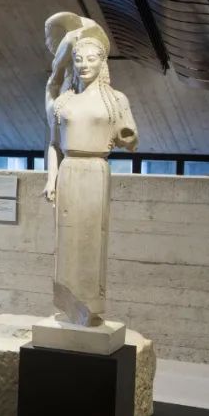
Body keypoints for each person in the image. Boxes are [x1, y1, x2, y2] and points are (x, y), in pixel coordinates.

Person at [43, 24, 137, 326]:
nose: (84, 65)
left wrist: (127, 136)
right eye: (79, 59)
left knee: (93, 238)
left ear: (102, 62)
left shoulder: (116, 100)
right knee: (67, 238)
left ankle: (90, 304)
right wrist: (50, 179)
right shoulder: (64, 102)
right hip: (69, 171)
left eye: (91, 59)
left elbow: (130, 139)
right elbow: (53, 144)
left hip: (96, 171)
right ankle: (69, 303)